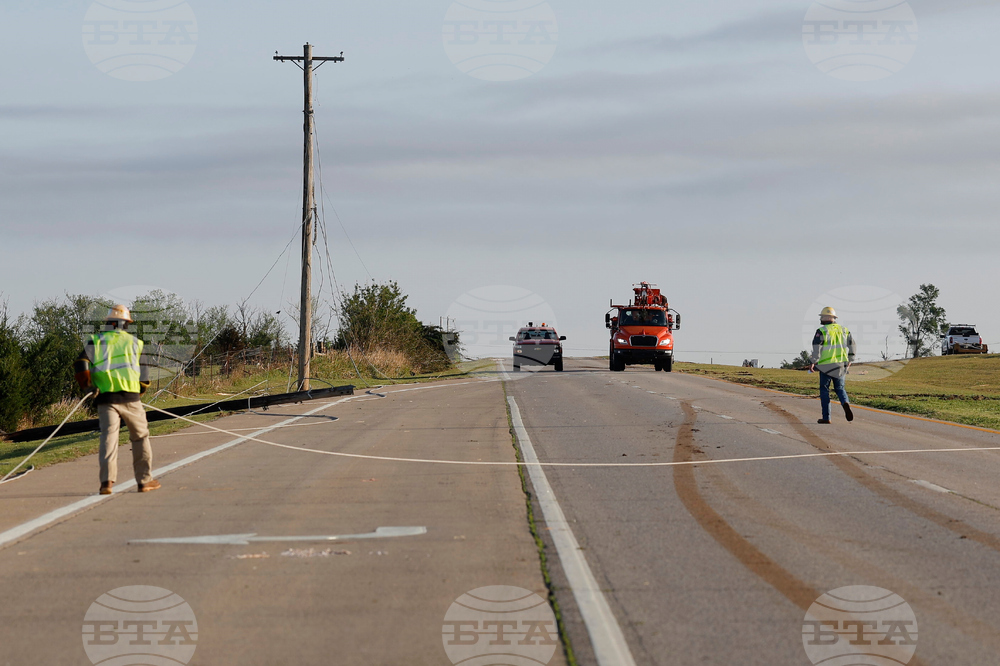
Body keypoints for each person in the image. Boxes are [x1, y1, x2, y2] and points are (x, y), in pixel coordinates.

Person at [74, 305, 160, 495]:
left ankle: (106, 483)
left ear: (108, 323)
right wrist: (139, 393)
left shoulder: (96, 341)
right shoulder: (135, 343)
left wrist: (88, 386)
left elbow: (81, 363)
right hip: (131, 398)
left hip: (106, 399)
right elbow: (144, 376)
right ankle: (144, 481)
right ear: (126, 324)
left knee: (109, 438)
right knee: (140, 438)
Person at [809, 307, 857, 425]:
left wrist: (813, 362)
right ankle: (845, 402)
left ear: (827, 317)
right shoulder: (844, 330)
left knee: (824, 390)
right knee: (840, 388)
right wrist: (850, 359)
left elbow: (817, 348)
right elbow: (852, 345)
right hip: (841, 365)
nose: (820, 319)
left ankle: (827, 417)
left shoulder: (822, 331)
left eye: (822, 316)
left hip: (826, 365)